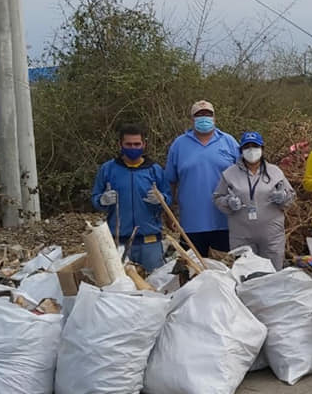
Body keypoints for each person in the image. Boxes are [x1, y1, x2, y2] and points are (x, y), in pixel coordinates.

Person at [90, 123, 170, 272]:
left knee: (155, 282)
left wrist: (162, 199)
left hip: (149, 242)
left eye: (137, 144)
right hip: (119, 242)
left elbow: (169, 198)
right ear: (120, 144)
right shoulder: (108, 169)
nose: (133, 148)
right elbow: (95, 197)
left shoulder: (154, 170)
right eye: (128, 144)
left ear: (144, 144)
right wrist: (102, 200)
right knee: (121, 284)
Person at [164, 100, 239, 256]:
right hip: (191, 224)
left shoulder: (229, 142)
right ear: (192, 119)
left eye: (208, 114)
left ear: (214, 118)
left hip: (224, 221)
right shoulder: (179, 145)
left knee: (223, 267)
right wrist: (168, 213)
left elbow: (243, 177)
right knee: (193, 268)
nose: (204, 118)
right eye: (199, 115)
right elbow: (170, 182)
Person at [212, 131, 296, 269]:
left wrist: (283, 196)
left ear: (262, 149)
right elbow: (217, 197)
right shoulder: (229, 174)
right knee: (246, 272)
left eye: (255, 146)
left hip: (271, 235)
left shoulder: (275, 172)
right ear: (241, 151)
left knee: (273, 273)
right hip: (241, 234)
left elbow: (291, 196)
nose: (251, 151)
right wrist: (228, 202)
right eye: (247, 147)